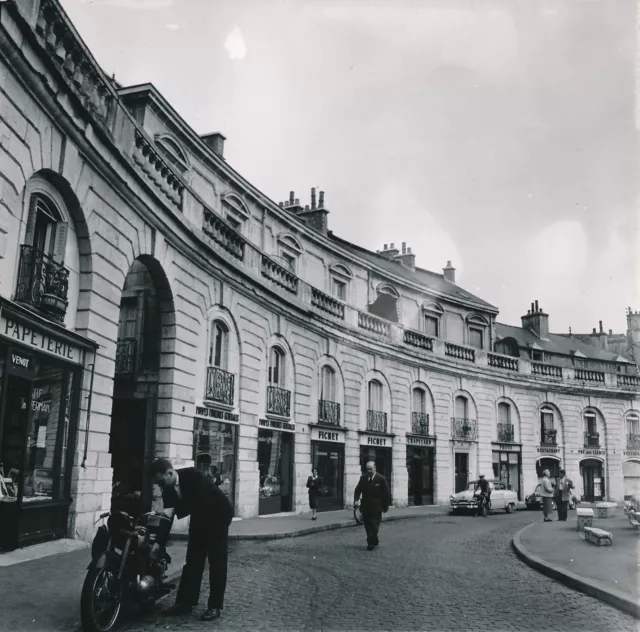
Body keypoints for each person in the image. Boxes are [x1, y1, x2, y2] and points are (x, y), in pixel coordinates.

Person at [150, 458, 233, 622]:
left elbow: (199, 502)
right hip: (200, 518)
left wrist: (175, 508)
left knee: (217, 561)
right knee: (193, 561)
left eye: (161, 481)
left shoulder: (193, 475)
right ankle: (184, 603)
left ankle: (214, 606)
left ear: (170, 472)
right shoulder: (167, 489)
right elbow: (167, 517)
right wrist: (159, 542)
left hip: (218, 515)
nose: (160, 486)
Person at [353, 461, 390, 550]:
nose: (369, 471)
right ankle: (374, 538)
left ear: (375, 468)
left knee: (374, 525)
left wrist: (385, 507)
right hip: (365, 506)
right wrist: (356, 500)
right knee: (367, 525)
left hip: (376, 507)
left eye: (371, 469)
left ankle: (370, 543)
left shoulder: (381, 479)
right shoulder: (363, 478)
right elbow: (357, 490)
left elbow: (386, 494)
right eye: (367, 469)